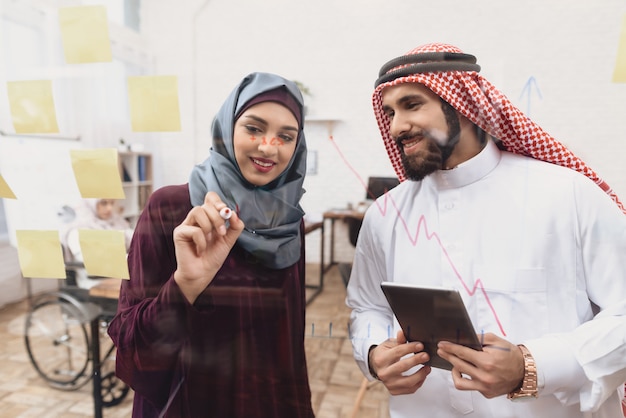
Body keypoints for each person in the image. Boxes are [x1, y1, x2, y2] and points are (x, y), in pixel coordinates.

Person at [346, 43, 626, 418]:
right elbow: (367, 306)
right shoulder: (385, 214)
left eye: (412, 105)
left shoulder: (567, 195)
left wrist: (533, 366)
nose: (396, 126)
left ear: (462, 102)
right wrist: (373, 352)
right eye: (389, 112)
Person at [107, 72, 315, 417]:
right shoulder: (172, 208)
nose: (268, 147)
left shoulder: (289, 222)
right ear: (226, 128)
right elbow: (129, 337)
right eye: (253, 128)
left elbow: (290, 344)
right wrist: (184, 287)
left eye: (286, 136)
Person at [60, 198, 133, 288]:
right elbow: (97, 260)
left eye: (112, 203)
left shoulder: (115, 224)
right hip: (95, 281)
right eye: (104, 203)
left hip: (118, 276)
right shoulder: (77, 231)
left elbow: (134, 239)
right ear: (91, 204)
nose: (109, 208)